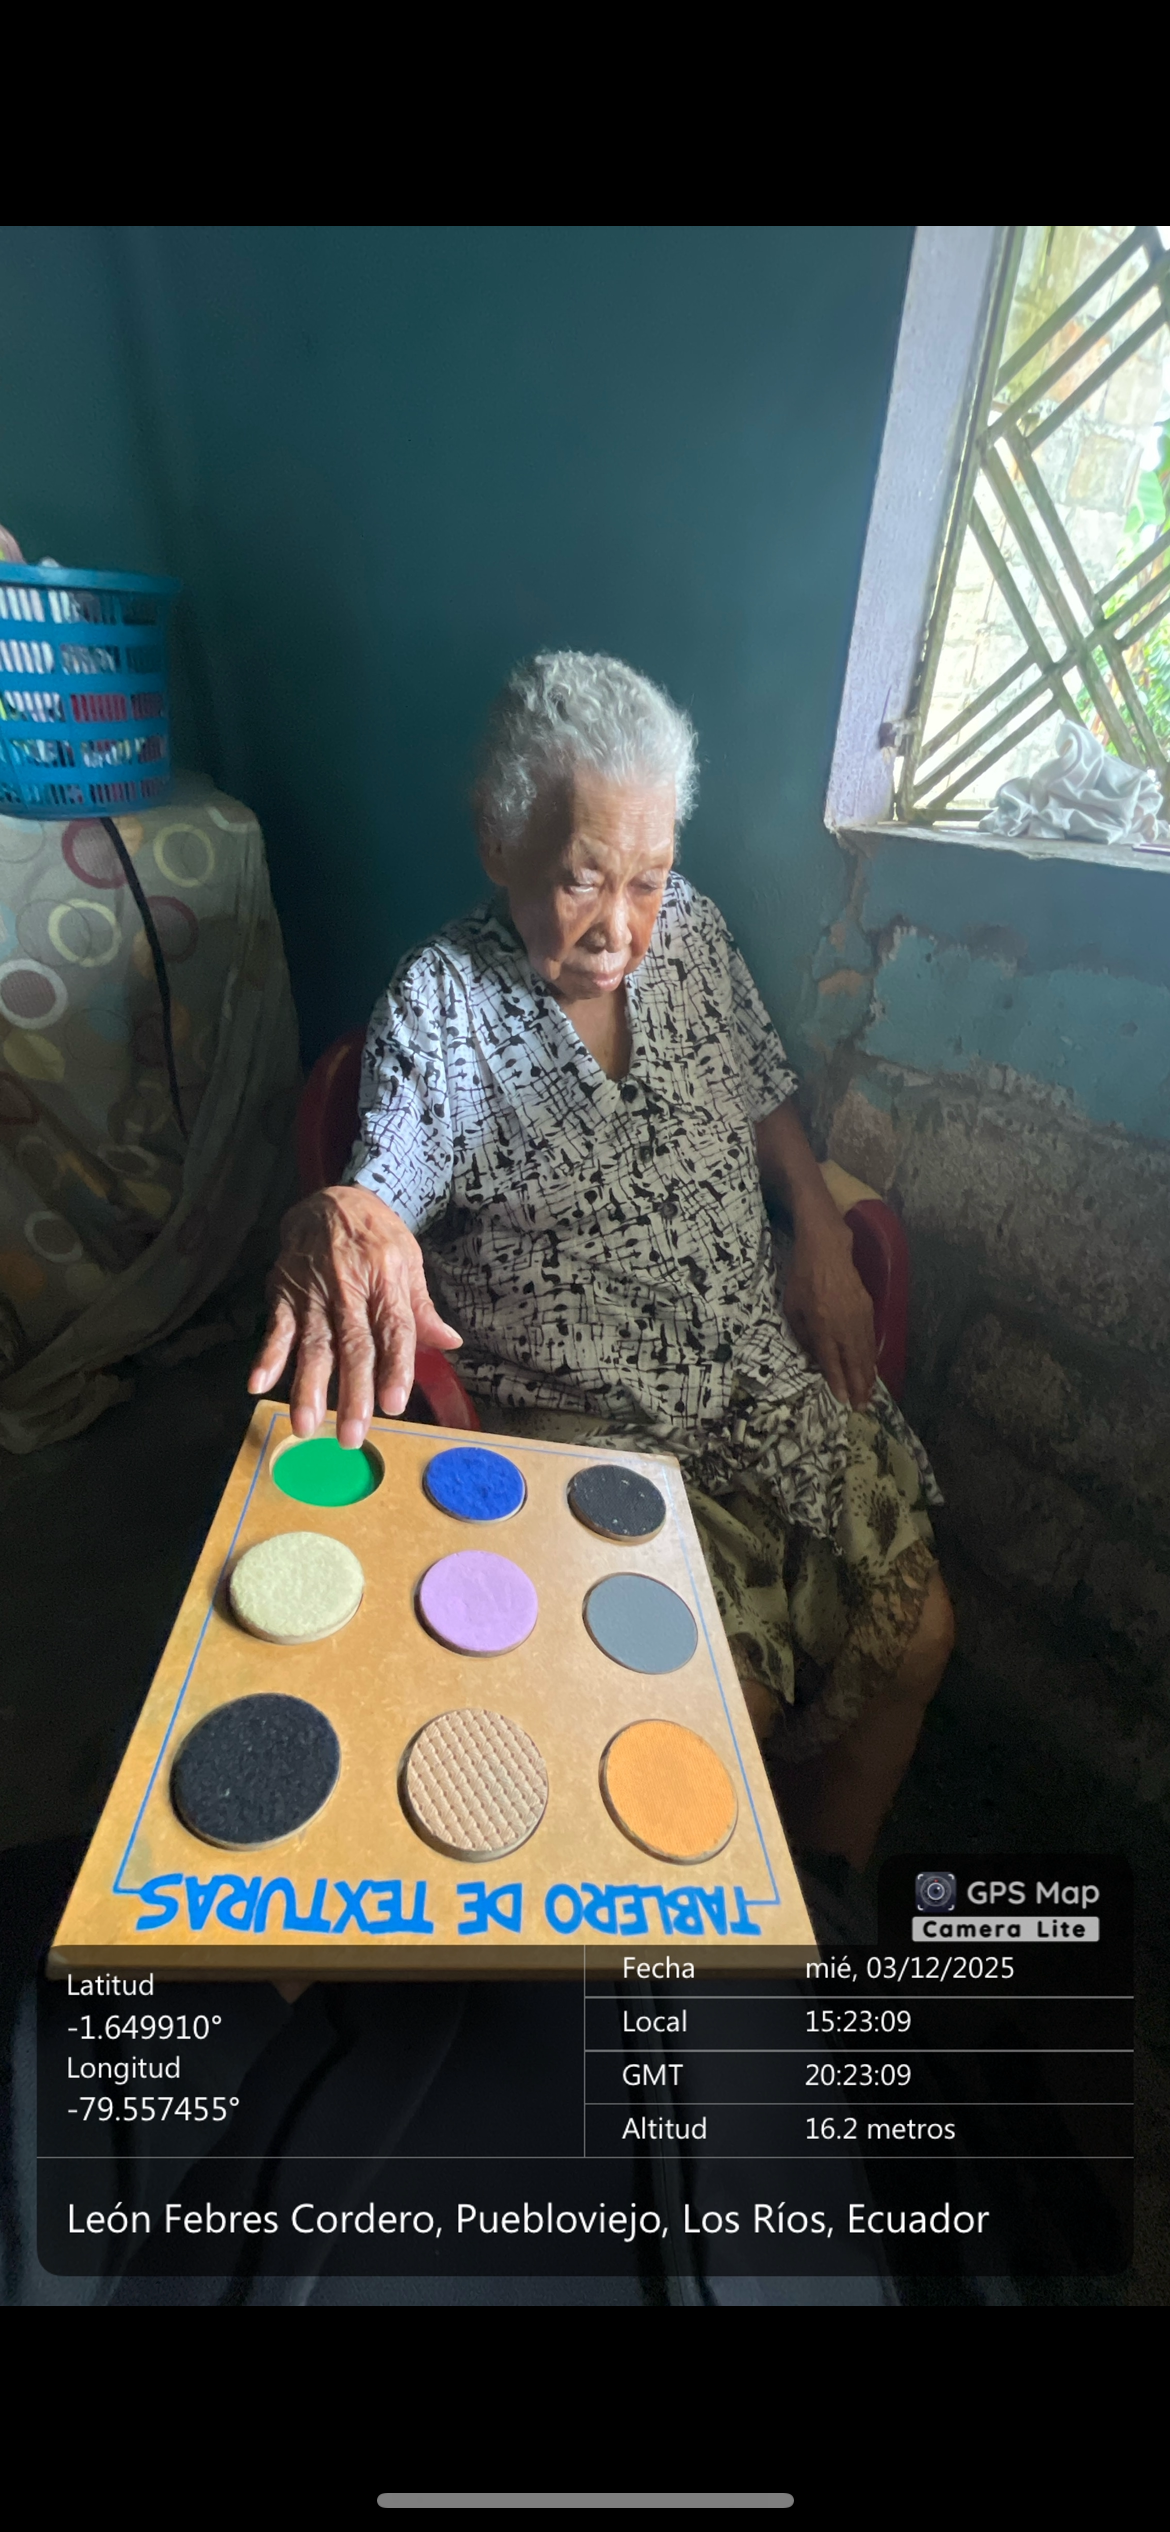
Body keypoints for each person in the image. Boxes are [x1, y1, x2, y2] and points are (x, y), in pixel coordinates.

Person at [250, 654, 953, 1876]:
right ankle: (681, 1959)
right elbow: (387, 1177)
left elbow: (760, 1089)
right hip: (596, 1434)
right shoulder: (443, 1002)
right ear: (497, 838)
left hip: (760, 1376)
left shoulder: (695, 938)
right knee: (696, 1734)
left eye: (649, 877)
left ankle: (829, 1907)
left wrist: (819, 1229)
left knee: (922, 1633)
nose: (622, 928)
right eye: (583, 877)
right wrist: (343, 1212)